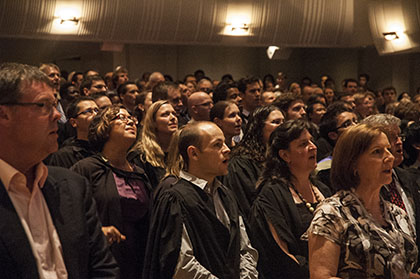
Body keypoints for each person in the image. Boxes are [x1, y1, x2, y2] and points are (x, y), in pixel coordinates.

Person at [0, 62, 118, 277]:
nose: (56, 115)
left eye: (55, 105)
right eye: (43, 105)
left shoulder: (73, 185)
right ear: (4, 114)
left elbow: (103, 268)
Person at [143, 121, 258, 279]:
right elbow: (181, 263)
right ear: (194, 153)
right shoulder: (175, 198)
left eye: (224, 142)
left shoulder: (226, 194)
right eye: (217, 145)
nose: (227, 149)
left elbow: (245, 248)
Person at [307, 124, 418, 278]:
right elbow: (321, 276)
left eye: (388, 149)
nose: (390, 157)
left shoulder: (397, 214)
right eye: (377, 152)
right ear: (353, 164)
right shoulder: (332, 214)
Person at [71, 104, 152, 279]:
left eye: (131, 118)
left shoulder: (139, 172)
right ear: (104, 128)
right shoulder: (86, 169)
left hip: (138, 260)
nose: (130, 121)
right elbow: (71, 217)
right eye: (121, 118)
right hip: (104, 260)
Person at [248, 119, 330, 279]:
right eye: (303, 144)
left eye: (311, 141)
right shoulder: (272, 193)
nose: (313, 147)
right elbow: (281, 255)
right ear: (285, 155)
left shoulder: (323, 189)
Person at [223, 105, 284, 218]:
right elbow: (247, 205)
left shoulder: (282, 157)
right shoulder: (240, 162)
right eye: (276, 122)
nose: (283, 126)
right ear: (259, 127)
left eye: (283, 122)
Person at [129, 100, 178, 188]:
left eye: (174, 113)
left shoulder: (181, 149)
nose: (173, 117)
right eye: (165, 115)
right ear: (153, 122)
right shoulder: (140, 156)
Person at [46, 97, 98, 168]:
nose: (95, 114)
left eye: (97, 110)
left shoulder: (105, 146)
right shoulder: (64, 155)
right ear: (74, 122)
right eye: (88, 111)